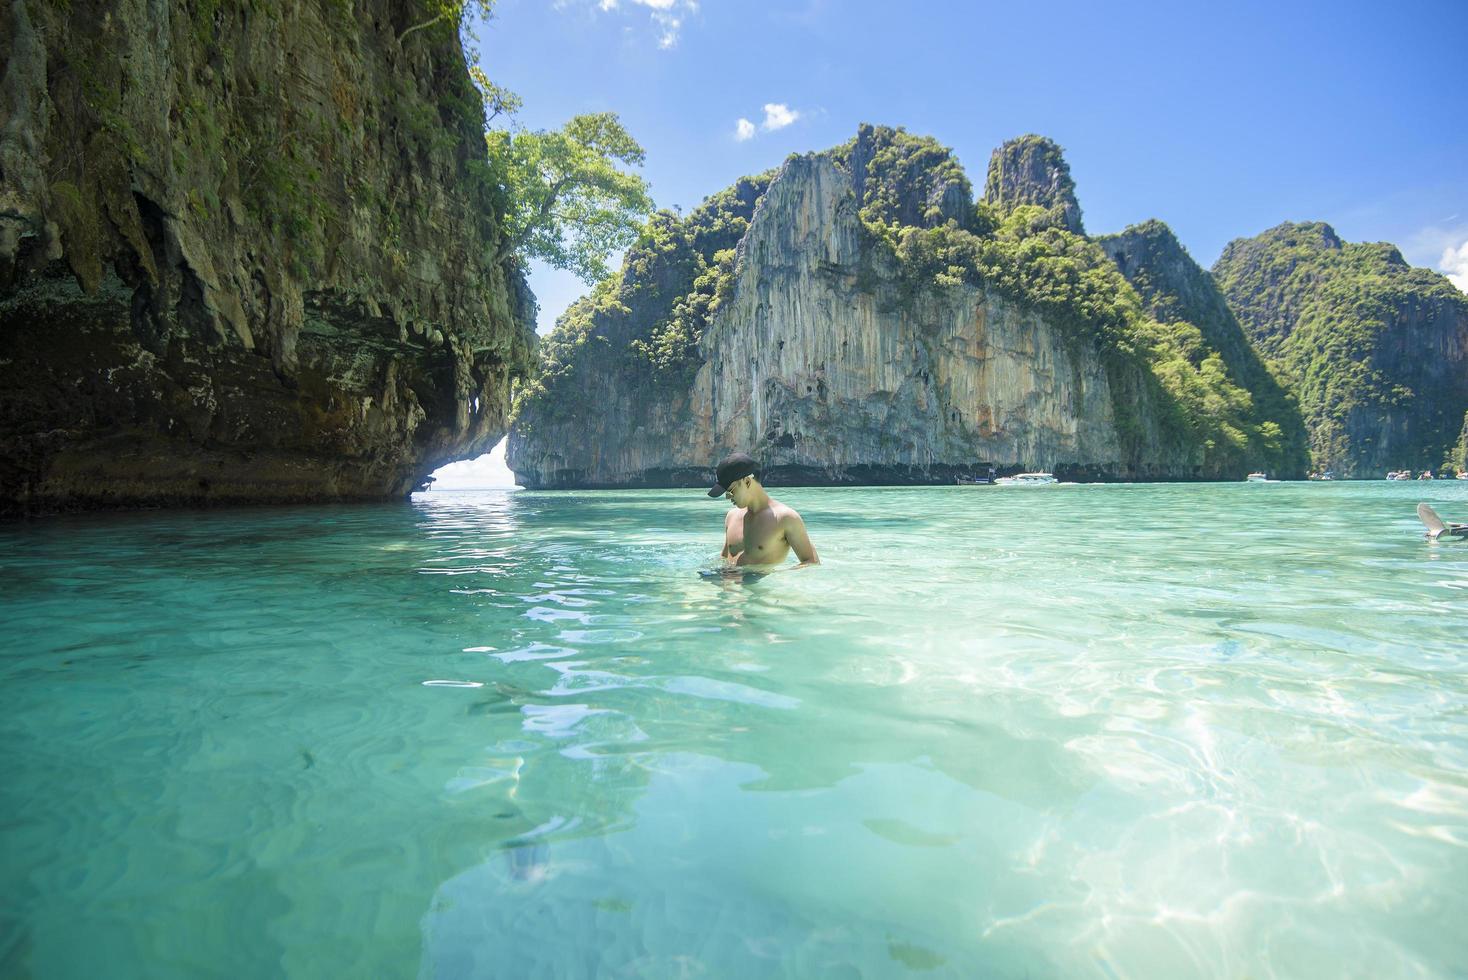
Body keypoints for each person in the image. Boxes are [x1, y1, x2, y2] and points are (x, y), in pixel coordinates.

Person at [706, 452, 819, 569]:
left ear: (747, 482)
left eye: (730, 491)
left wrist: (778, 577)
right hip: (730, 586)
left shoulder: (785, 518)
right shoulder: (731, 516)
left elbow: (811, 562)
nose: (727, 497)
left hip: (762, 587)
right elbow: (724, 559)